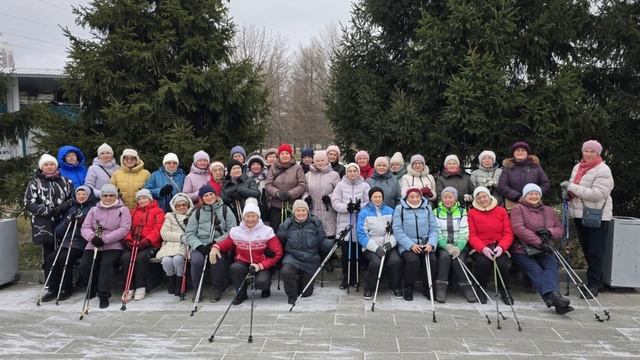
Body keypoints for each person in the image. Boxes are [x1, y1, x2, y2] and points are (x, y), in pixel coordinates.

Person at [561, 140, 614, 298]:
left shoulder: (603, 170)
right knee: (587, 249)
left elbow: (597, 194)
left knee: (595, 251)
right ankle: (596, 281)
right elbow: (574, 186)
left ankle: (593, 285)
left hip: (597, 215)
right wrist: (567, 193)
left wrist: (571, 187)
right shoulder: (578, 167)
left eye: (592, 151)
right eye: (586, 151)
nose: (588, 154)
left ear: (598, 154)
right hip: (580, 214)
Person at [510, 183, 573, 314]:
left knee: (551, 266)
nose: (534, 196)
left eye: (536, 194)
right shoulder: (518, 209)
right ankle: (555, 299)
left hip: (545, 248)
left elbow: (560, 229)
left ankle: (555, 300)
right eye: (530, 194)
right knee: (536, 270)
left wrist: (550, 232)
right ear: (525, 196)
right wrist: (539, 242)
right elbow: (519, 229)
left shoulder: (548, 210)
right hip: (522, 249)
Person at [210, 202, 283, 305]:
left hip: (261, 263)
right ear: (243, 218)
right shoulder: (236, 231)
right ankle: (241, 295)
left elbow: (278, 253)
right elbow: (226, 244)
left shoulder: (267, 231)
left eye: (253, 216)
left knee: (261, 282)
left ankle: (265, 288)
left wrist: (260, 266)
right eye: (247, 216)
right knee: (235, 268)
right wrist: (215, 247)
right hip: (243, 261)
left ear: (258, 217)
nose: (250, 219)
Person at [40, 186, 97, 302]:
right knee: (52, 257)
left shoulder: (93, 209)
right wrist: (67, 222)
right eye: (79, 194)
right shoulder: (71, 209)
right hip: (67, 241)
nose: (81, 196)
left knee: (64, 258)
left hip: (81, 242)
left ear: (89, 196)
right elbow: (58, 231)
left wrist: (82, 222)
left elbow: (94, 227)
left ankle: (66, 288)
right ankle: (53, 288)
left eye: (84, 194)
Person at [79, 184, 131, 308]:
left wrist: (105, 239)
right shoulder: (94, 210)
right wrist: (92, 237)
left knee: (106, 265)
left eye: (111, 195)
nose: (108, 198)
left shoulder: (123, 210)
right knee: (85, 265)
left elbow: (124, 228)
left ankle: (104, 294)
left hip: (113, 244)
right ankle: (92, 288)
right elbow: (85, 227)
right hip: (94, 243)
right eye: (105, 195)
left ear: (116, 196)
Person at [24, 154, 74, 278]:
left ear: (56, 166)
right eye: (46, 165)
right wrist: (46, 211)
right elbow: (29, 202)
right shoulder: (34, 183)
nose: (49, 167)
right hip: (43, 222)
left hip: (62, 219)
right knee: (48, 250)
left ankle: (65, 279)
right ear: (41, 167)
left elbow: (72, 198)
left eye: (52, 164)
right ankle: (50, 280)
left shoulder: (65, 181)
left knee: (63, 249)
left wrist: (62, 208)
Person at [184, 184, 236, 302]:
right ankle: (197, 289)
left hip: (218, 244)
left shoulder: (225, 209)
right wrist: (199, 246)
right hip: (200, 244)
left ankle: (216, 288)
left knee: (216, 259)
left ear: (216, 195)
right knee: (197, 261)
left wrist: (216, 242)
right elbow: (190, 233)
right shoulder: (197, 212)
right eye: (206, 195)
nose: (209, 197)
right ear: (202, 198)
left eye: (211, 194)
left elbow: (232, 230)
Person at [277, 199, 333, 304]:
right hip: (292, 257)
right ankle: (292, 296)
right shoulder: (286, 225)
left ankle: (300, 279)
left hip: (310, 259)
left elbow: (322, 241)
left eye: (303, 210)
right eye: (298, 210)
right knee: (286, 271)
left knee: (306, 293)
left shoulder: (316, 224)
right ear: (294, 212)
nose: (301, 213)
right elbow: (280, 241)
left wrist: (333, 242)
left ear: (307, 211)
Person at [468, 186, 514, 304]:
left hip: (499, 246)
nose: (482, 200)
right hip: (481, 247)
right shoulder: (472, 213)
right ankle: (481, 289)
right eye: (479, 198)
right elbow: (472, 235)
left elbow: (508, 233)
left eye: (484, 196)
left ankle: (505, 290)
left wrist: (501, 247)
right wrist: (482, 248)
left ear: (489, 197)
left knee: (502, 263)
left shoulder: (501, 211)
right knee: (483, 263)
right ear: (475, 200)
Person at [393, 187, 439, 301]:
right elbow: (397, 229)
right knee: (413, 261)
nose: (414, 199)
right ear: (407, 197)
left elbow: (434, 229)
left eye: (417, 196)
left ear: (421, 197)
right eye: (411, 197)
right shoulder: (400, 209)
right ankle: (409, 287)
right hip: (407, 245)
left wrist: (431, 244)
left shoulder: (427, 208)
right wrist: (411, 245)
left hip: (425, 243)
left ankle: (428, 287)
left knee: (432, 260)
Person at [357, 187, 402, 299]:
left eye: (379, 197)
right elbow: (361, 234)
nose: (377, 199)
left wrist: (391, 243)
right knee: (375, 262)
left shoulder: (391, 211)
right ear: (370, 198)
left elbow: (397, 230)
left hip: (388, 243)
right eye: (375, 197)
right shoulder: (364, 213)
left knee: (395, 261)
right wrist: (375, 248)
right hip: (371, 246)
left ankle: (395, 286)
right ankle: (369, 288)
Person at [120, 189, 165, 301]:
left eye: (144, 198)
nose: (142, 201)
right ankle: (128, 287)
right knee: (125, 258)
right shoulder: (133, 212)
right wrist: (127, 240)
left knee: (141, 258)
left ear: (149, 199)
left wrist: (147, 241)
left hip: (150, 243)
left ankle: (141, 286)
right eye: (139, 199)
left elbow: (158, 229)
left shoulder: (158, 211)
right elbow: (126, 228)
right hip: (134, 242)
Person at [332, 163, 370, 289]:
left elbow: (369, 202)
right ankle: (345, 276)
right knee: (346, 252)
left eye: (355, 171)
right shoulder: (340, 185)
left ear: (358, 172)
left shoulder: (365, 185)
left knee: (357, 251)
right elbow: (335, 202)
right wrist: (346, 207)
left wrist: (360, 207)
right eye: (350, 171)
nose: (352, 173)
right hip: (345, 222)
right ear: (346, 172)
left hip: (359, 222)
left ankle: (355, 276)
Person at [433, 187, 475, 303]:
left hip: (459, 244)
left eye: (450, 197)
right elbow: (436, 231)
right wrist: (445, 245)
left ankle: (467, 287)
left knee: (459, 259)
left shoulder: (462, 211)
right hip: (444, 245)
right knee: (444, 257)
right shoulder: (436, 211)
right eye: (445, 197)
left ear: (455, 198)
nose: (448, 200)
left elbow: (465, 231)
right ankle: (441, 287)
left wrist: (458, 247)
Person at [157, 193, 194, 296]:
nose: (181, 207)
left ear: (188, 205)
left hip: (185, 246)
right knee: (166, 260)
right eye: (178, 205)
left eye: (184, 205)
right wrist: (181, 237)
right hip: (170, 244)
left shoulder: (193, 216)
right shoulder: (169, 216)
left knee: (178, 259)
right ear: (174, 206)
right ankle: (171, 280)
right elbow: (164, 233)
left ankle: (180, 281)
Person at [498, 141, 550, 211]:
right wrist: (518, 197)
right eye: (517, 150)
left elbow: (545, 183)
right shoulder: (507, 168)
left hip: (534, 203)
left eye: (523, 150)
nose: (520, 152)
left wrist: (534, 195)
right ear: (513, 153)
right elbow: (502, 186)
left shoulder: (536, 167)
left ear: (527, 153)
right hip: (513, 203)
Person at [265, 144, 306, 230]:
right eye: (282, 153)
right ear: (279, 155)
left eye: (287, 153)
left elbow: (302, 185)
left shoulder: (297, 168)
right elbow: (268, 185)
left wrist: (290, 194)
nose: (284, 156)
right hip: (276, 206)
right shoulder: (273, 168)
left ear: (290, 155)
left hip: (292, 206)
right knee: (276, 231)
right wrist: (277, 193)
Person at [305, 151, 340, 239]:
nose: (320, 163)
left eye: (322, 160)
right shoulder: (308, 176)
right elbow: (304, 191)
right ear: (314, 161)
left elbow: (339, 191)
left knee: (328, 239)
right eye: (317, 161)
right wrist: (305, 198)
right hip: (313, 210)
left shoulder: (334, 175)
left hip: (328, 211)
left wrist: (330, 197)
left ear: (327, 161)